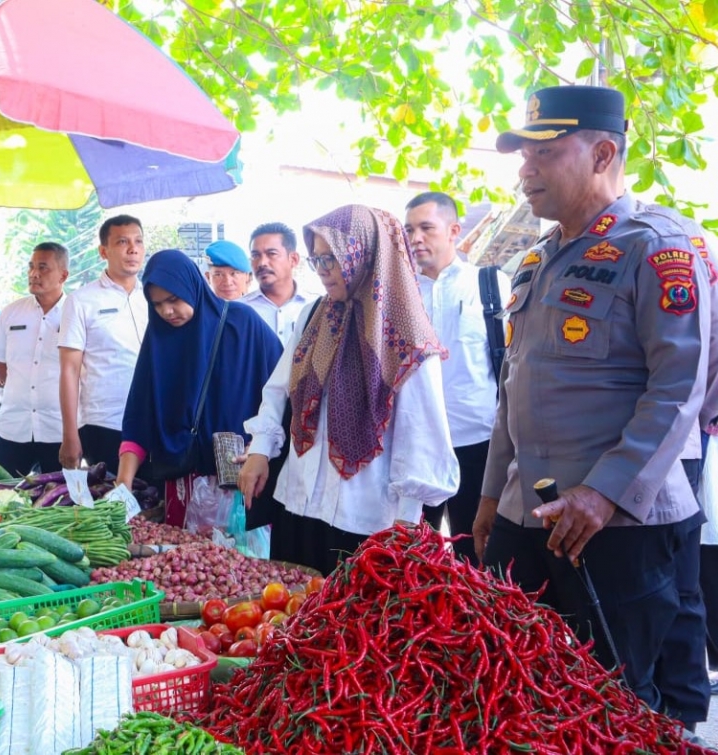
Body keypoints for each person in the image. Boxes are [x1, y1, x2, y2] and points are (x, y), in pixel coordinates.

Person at [473, 85, 711, 733]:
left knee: (614, 709)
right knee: (521, 694)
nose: (524, 170)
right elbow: (512, 385)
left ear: (603, 152)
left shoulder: (657, 247)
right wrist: (493, 491)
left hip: (616, 527)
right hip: (530, 518)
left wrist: (601, 494)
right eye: (523, 154)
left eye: (543, 153)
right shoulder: (535, 262)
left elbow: (677, 390)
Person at [238, 205, 459, 575]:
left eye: (333, 258)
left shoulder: (406, 339)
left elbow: (420, 441)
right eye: (317, 259)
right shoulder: (314, 317)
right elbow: (278, 390)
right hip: (299, 503)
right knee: (292, 618)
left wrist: (404, 531)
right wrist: (260, 450)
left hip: (366, 521)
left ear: (367, 255)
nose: (323, 269)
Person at [117, 249, 281, 528]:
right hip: (179, 485)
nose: (166, 311)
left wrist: (261, 445)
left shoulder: (242, 324)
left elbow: (282, 393)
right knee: (185, 568)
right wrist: (122, 484)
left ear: (193, 288)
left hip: (238, 480)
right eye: (156, 304)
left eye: (173, 300)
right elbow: (138, 416)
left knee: (237, 566)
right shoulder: (158, 339)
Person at [404, 191, 510, 564]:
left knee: (478, 556)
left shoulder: (490, 286)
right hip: (416, 445)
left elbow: (512, 366)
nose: (415, 238)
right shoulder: (401, 296)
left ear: (453, 230)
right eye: (409, 229)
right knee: (413, 561)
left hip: (478, 444)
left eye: (426, 228)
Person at [59, 214, 149, 473]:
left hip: (153, 423)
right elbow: (69, 370)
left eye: (138, 241)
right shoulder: (82, 301)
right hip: (104, 423)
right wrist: (70, 434)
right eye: (122, 241)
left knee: (152, 507)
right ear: (103, 251)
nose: (133, 249)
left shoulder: (154, 299)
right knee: (115, 505)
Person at [0, 243, 72, 476]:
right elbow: (0, 361)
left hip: (59, 430)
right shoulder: (11, 312)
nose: (34, 273)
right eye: (31, 267)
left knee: (58, 505)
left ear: (63, 275)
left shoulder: (76, 313)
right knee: (1, 499)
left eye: (43, 268)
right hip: (14, 426)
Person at [242, 222, 309, 344]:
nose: (262, 263)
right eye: (255, 256)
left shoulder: (315, 307)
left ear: (293, 259)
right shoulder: (239, 310)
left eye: (272, 254)